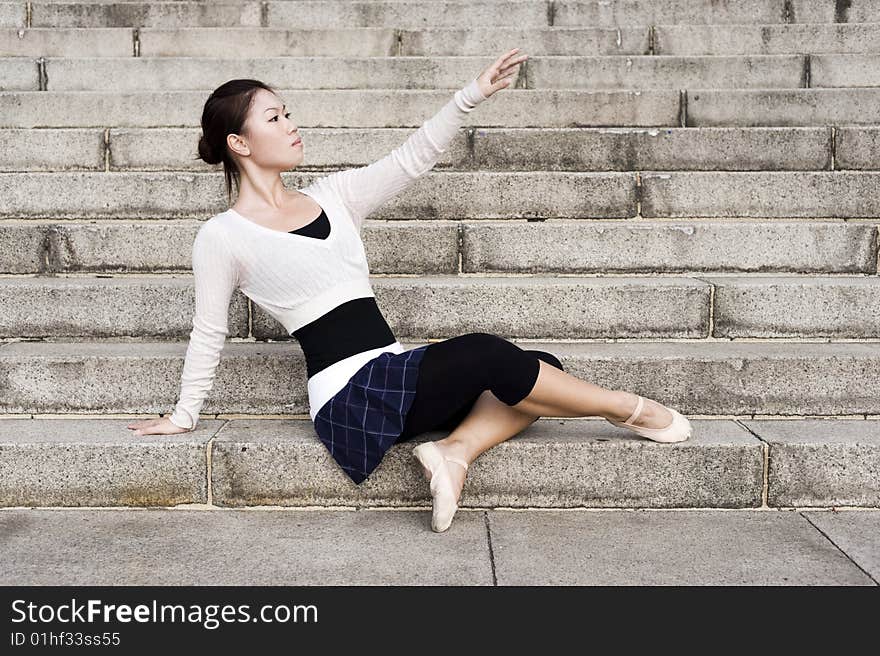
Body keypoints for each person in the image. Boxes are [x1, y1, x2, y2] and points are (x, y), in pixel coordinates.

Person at [127, 48, 692, 533]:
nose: (291, 125)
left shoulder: (336, 196)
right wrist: (184, 415)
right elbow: (210, 330)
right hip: (350, 396)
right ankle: (628, 409)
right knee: (489, 355)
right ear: (239, 143)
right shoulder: (223, 236)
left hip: (393, 369)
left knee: (538, 366)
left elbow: (412, 158)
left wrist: (470, 95)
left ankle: (455, 452)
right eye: (274, 118)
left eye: (288, 113)